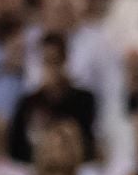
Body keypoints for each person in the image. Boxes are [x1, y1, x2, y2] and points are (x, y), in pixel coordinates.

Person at [12, 33, 99, 165]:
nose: (52, 68)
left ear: (65, 61)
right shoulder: (29, 103)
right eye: (47, 61)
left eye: (55, 60)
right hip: (36, 169)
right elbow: (16, 147)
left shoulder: (84, 99)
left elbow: (87, 141)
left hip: (75, 167)